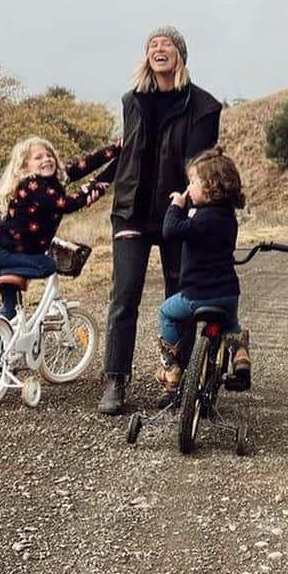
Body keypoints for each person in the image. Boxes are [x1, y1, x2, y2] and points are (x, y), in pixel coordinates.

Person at [97, 27, 222, 415]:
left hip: (177, 212)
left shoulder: (203, 106)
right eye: (152, 44)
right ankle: (115, 380)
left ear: (180, 55)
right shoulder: (131, 100)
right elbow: (128, 152)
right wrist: (99, 182)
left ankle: (178, 379)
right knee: (124, 296)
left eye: (166, 43)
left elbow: (199, 165)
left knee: (180, 296)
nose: (158, 47)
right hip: (132, 211)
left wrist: (196, 208)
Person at [0, 136, 119, 318]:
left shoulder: (53, 180)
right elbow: (65, 204)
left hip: (12, 251)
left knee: (12, 311)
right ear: (24, 168)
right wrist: (91, 190)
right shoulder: (32, 185)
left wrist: (115, 151)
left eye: (49, 155)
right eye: (38, 157)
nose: (46, 159)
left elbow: (85, 165)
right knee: (47, 265)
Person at [154, 147, 250, 401]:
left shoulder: (202, 219)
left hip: (196, 295)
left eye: (193, 182)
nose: (188, 187)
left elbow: (171, 231)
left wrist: (176, 205)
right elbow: (200, 227)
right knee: (230, 326)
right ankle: (240, 358)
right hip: (227, 294)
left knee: (167, 312)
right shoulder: (227, 217)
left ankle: (171, 369)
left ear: (210, 186)